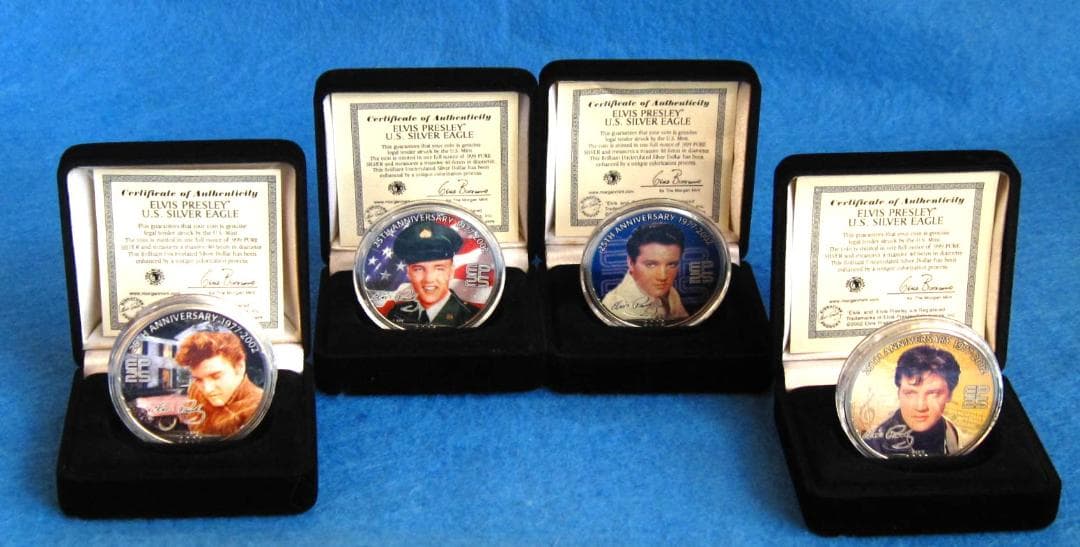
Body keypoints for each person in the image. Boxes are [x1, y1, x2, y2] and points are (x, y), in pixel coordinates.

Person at [863, 345, 961, 456]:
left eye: (933, 393)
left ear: (949, 395)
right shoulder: (873, 444)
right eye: (910, 393)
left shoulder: (954, 434)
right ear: (899, 393)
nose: (920, 406)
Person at [385, 220, 477, 327]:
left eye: (439, 269)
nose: (429, 279)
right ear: (409, 273)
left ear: (451, 271)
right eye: (418, 269)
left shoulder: (471, 316)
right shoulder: (397, 314)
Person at [174, 329, 263, 437]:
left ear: (239, 367)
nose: (207, 389)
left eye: (216, 376)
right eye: (198, 379)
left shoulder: (258, 408)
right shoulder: (195, 389)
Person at [601, 222, 688, 322]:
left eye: (671, 265)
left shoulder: (672, 293)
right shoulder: (614, 306)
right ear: (631, 263)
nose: (663, 276)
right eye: (651, 264)